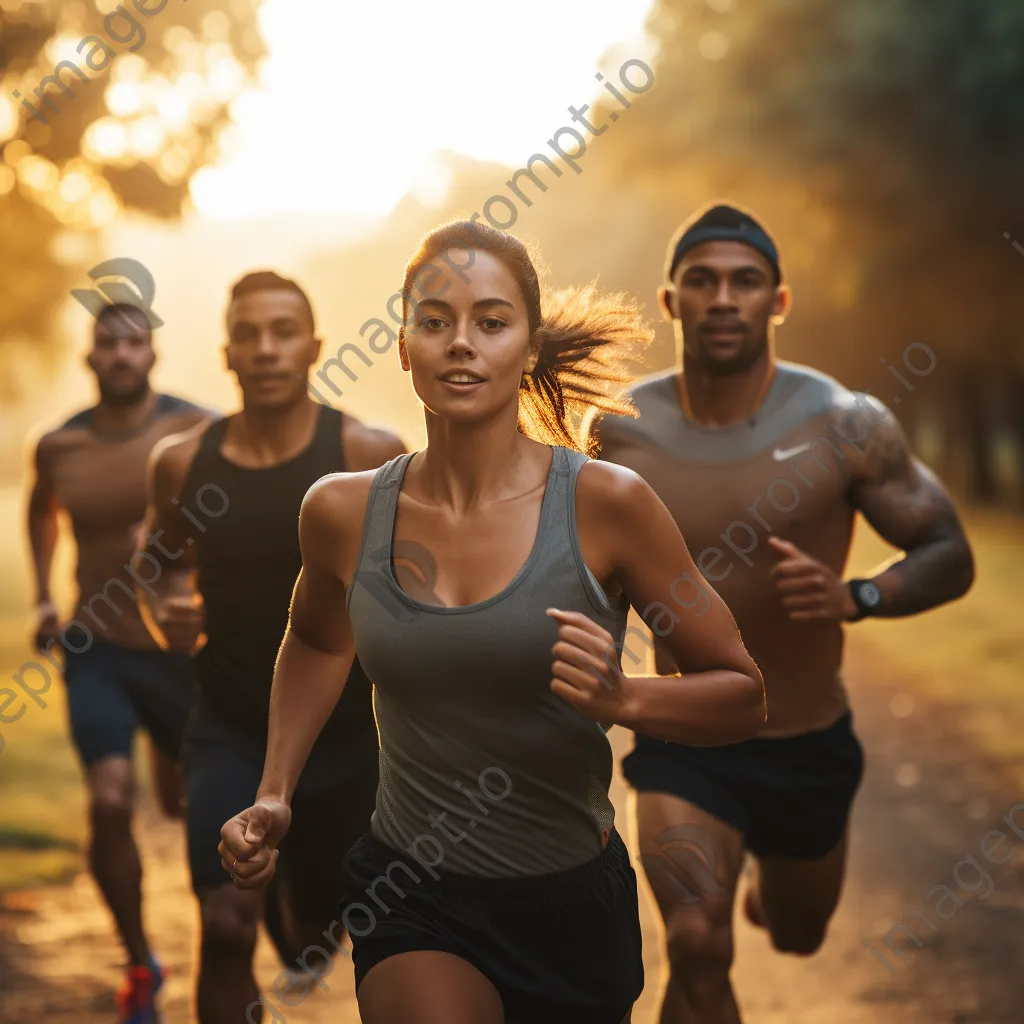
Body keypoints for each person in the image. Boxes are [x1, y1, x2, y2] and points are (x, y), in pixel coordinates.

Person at [217, 221, 766, 1024]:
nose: (460, 344)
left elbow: (744, 696)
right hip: (411, 890)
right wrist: (274, 792)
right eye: (434, 321)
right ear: (403, 347)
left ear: (530, 348)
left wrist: (627, 701)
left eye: (491, 322)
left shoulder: (608, 506)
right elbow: (315, 639)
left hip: (570, 904)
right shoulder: (341, 512)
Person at [591, 202, 976, 1024]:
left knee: (799, 934)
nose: (723, 298)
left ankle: (773, 890)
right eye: (702, 281)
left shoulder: (847, 421)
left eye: (745, 282)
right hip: (683, 738)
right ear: (671, 302)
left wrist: (860, 596)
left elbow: (949, 550)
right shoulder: (617, 432)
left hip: (806, 745)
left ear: (778, 302)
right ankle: (721, 895)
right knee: (696, 943)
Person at [136, 270, 405, 1024]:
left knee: (315, 938)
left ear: (315, 347)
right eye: (248, 334)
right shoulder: (183, 463)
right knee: (224, 928)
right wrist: (167, 611)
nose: (266, 349)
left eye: (283, 331)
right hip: (227, 728)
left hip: (348, 738)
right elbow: (155, 564)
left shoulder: (366, 453)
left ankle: (302, 922)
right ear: (227, 353)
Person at [26, 302, 212, 1023]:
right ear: (90, 357)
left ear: (153, 354)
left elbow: (240, 512)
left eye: (136, 342)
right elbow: (41, 510)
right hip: (94, 646)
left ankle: (222, 946)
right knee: (109, 801)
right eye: (109, 343)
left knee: (185, 807)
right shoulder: (60, 445)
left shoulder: (197, 428)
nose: (123, 354)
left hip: (180, 652)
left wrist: (179, 531)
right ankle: (140, 963)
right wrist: (44, 597)